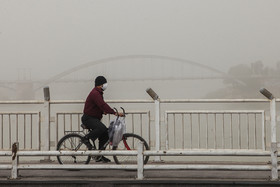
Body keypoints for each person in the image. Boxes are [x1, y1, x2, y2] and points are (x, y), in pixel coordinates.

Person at [81, 76, 123, 163]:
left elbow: (98, 106)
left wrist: (103, 111)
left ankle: (100, 155)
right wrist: (114, 112)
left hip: (93, 118)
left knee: (105, 133)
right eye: (104, 83)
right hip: (88, 118)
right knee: (102, 128)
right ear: (100, 85)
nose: (106, 85)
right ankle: (86, 138)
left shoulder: (98, 92)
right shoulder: (95, 93)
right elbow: (102, 104)